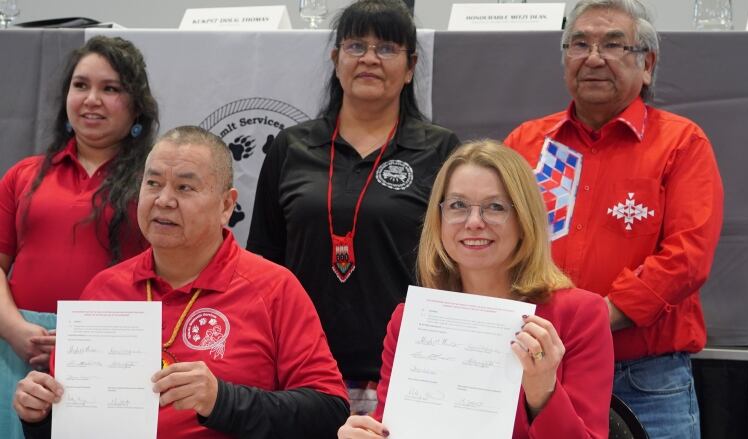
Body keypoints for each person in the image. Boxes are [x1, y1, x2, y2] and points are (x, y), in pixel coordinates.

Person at [12, 126, 349, 439]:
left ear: (226, 205)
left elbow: (329, 410)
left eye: (185, 187)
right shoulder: (104, 290)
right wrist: (38, 415)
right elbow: (69, 424)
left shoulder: (273, 287)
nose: (164, 200)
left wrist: (223, 401)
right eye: (153, 183)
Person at [503, 1, 724, 437]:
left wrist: (594, 320)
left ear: (648, 64)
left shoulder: (681, 143)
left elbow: (688, 256)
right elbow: (497, 245)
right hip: (538, 373)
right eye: (579, 43)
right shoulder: (526, 143)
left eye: (613, 44)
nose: (593, 57)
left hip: (645, 379)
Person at [246, 0, 459, 413]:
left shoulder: (440, 150)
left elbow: (455, 268)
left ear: (411, 66)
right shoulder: (291, 146)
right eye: (356, 46)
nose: (370, 60)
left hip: (405, 371)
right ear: (336, 58)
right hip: (299, 369)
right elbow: (262, 262)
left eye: (387, 49)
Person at [338, 140, 614, 438]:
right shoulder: (410, 320)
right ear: (439, 219)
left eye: (494, 207)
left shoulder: (579, 315)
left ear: (525, 220)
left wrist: (543, 391)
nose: (473, 222)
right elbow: (393, 429)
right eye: (458, 205)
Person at [0, 35, 158, 438]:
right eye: (81, 85)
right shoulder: (24, 174)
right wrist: (16, 330)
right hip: (19, 346)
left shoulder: (155, 184)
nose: (92, 99)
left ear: (137, 104)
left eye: (111, 89)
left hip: (117, 351)